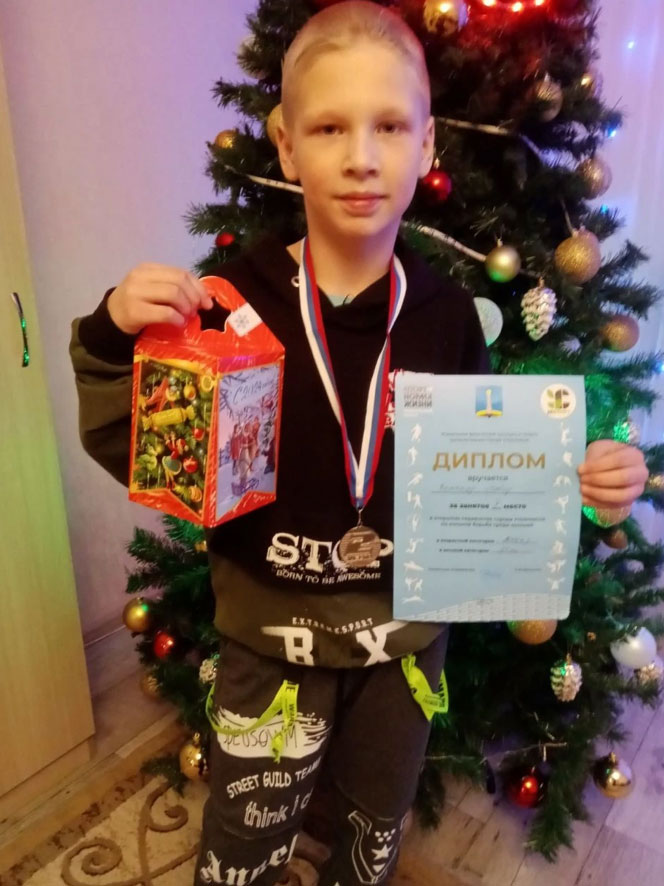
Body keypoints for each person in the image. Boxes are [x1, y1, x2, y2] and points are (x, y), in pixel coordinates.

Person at [69, 3, 649, 884]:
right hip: (270, 645)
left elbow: (492, 481)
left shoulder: (449, 317)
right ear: (286, 144)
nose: (361, 156)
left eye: (389, 126)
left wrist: (585, 482)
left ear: (427, 146)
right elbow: (144, 450)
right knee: (244, 845)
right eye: (330, 127)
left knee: (372, 837)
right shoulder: (230, 304)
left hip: (402, 654)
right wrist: (112, 337)